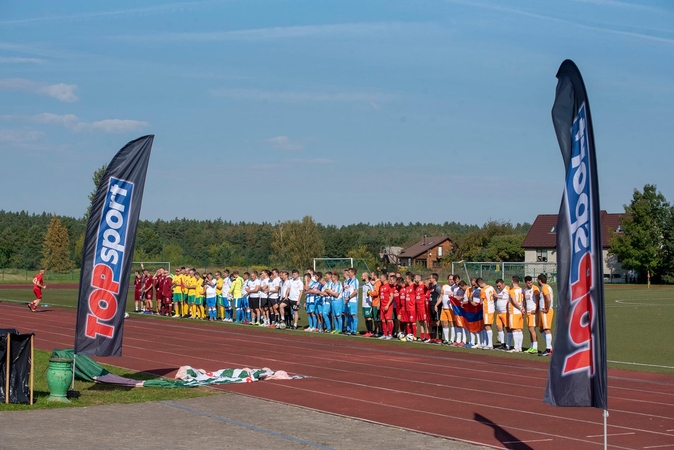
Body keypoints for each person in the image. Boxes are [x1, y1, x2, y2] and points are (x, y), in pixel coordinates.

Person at [537, 274, 554, 356]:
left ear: (540, 280)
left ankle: (548, 349)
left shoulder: (545, 288)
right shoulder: (548, 287)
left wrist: (547, 308)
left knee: (546, 329)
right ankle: (550, 347)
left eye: (538, 280)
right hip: (543, 311)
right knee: (541, 329)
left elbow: (548, 299)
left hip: (546, 311)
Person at [507, 276, 525, 353]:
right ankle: (519, 347)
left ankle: (516, 347)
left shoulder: (512, 291)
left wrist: (520, 308)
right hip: (520, 312)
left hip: (514, 311)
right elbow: (524, 300)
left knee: (514, 329)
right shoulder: (521, 290)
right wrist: (523, 308)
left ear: (512, 281)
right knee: (519, 330)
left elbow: (514, 301)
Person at [523, 276, 540, 354]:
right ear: (525, 283)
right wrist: (524, 308)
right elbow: (524, 302)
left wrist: (536, 310)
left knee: (532, 329)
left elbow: (537, 300)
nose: (530, 284)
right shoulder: (525, 290)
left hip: (533, 312)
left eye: (531, 282)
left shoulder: (535, 289)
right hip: (528, 312)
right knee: (529, 330)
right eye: (528, 283)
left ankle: (535, 347)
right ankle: (531, 346)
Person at [477, 278, 495, 350]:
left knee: (487, 326)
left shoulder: (483, 290)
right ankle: (489, 343)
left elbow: (481, 302)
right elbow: (495, 296)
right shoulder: (491, 287)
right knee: (489, 326)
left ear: (479, 284)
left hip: (487, 309)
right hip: (492, 308)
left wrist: (479, 293)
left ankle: (490, 344)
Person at [436, 275, 454, 345]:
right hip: (444, 308)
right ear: (447, 280)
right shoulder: (444, 286)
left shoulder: (455, 287)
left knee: (452, 324)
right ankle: (446, 339)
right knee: (445, 324)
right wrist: (436, 305)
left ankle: (452, 340)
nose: (451, 280)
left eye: (452, 279)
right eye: (450, 279)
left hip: (451, 309)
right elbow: (441, 296)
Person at [378, 273, 396, 340]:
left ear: (385, 278)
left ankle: (390, 334)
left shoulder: (389, 286)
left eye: (381, 277)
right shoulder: (381, 286)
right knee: (382, 320)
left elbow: (391, 296)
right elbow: (380, 296)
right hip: (382, 306)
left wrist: (388, 305)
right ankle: (385, 334)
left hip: (387, 306)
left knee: (389, 320)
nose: (380, 279)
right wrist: (379, 303)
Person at [494, 278, 510, 350]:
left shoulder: (508, 289)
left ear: (503, 284)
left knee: (508, 328)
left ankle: (508, 344)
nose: (498, 287)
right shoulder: (498, 290)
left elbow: (507, 297)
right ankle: (503, 344)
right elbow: (497, 298)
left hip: (505, 312)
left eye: (499, 286)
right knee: (499, 327)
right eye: (497, 286)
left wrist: (497, 296)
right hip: (499, 312)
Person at [414, 273, 430, 343]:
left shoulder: (424, 286)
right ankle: (422, 336)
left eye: (415, 278)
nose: (414, 279)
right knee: (420, 322)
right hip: (418, 307)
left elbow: (429, 287)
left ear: (419, 279)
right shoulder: (416, 287)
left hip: (423, 306)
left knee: (425, 321)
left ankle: (427, 336)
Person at [344, 268, 359, 335]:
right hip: (349, 300)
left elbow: (356, 291)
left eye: (349, 272)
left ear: (353, 273)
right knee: (349, 315)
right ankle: (350, 329)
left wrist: (349, 297)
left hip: (353, 300)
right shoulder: (350, 281)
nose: (348, 273)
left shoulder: (355, 281)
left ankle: (354, 330)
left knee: (354, 315)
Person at [361, 271, 374, 337]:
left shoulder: (369, 285)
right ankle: (368, 331)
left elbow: (372, 293)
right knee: (365, 318)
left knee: (369, 318)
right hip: (364, 303)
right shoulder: (364, 284)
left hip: (368, 304)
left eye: (362, 275)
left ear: (366, 276)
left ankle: (370, 331)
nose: (361, 277)